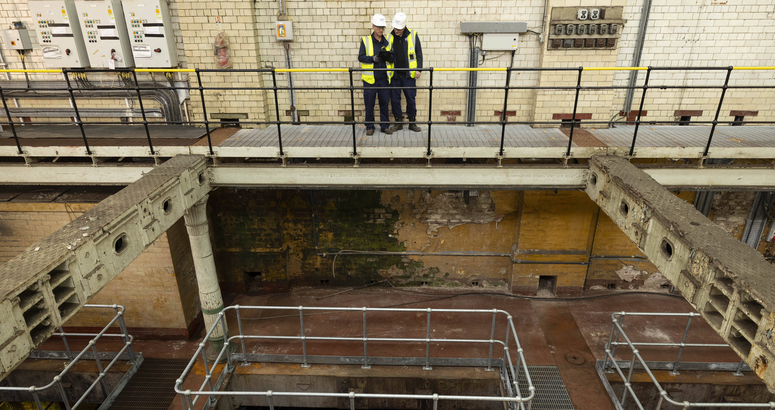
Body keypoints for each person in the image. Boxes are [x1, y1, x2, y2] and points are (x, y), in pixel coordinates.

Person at [358, 14, 395, 136]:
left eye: (383, 27)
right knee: (369, 104)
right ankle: (370, 126)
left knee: (384, 103)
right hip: (370, 80)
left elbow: (393, 58)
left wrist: (388, 57)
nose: (381, 30)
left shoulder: (387, 42)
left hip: (384, 79)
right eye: (379, 27)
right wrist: (372, 59)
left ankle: (385, 126)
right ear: (373, 27)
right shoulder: (365, 41)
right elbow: (361, 57)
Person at [387, 12, 423, 133]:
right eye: (395, 28)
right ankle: (398, 123)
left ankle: (412, 122)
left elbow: (419, 53)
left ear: (404, 26)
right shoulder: (390, 37)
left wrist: (418, 69)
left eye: (399, 29)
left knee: (411, 99)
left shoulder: (413, 35)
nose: (396, 31)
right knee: (395, 99)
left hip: (409, 75)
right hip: (395, 75)